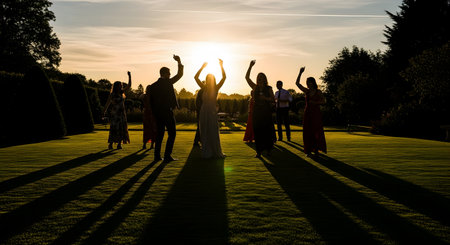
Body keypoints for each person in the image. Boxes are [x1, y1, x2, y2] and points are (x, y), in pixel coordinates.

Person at [149, 55, 184, 162]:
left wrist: (154, 113)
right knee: (172, 133)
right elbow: (180, 74)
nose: (170, 75)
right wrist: (179, 61)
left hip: (157, 113)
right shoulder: (168, 82)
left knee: (160, 134)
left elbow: (151, 102)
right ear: (164, 74)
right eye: (169, 73)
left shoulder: (153, 86)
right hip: (167, 112)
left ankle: (157, 156)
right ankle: (167, 155)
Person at [194, 59, 226, 158]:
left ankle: (215, 151)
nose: (209, 80)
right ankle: (206, 151)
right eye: (208, 78)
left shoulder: (216, 88)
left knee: (213, 130)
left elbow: (224, 77)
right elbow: (195, 77)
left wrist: (221, 66)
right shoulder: (203, 88)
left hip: (212, 111)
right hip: (204, 111)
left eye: (210, 78)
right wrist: (202, 68)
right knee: (204, 130)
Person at [245, 60, 276, 158]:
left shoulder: (269, 88)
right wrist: (250, 67)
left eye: (262, 77)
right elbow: (247, 78)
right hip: (257, 112)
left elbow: (273, 100)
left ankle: (269, 150)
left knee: (267, 131)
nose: (260, 79)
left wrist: (266, 98)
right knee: (258, 131)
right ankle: (258, 152)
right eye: (258, 77)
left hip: (266, 112)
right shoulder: (255, 87)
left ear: (265, 79)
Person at [295, 66, 327, 157]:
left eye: (310, 82)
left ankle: (316, 150)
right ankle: (308, 150)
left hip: (316, 114)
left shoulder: (318, 92)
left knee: (316, 131)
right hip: (307, 113)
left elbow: (324, 101)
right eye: (307, 83)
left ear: (313, 83)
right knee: (307, 132)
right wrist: (300, 73)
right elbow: (297, 83)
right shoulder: (307, 91)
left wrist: (315, 102)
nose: (309, 84)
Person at [102, 71, 132, 149]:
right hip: (115, 114)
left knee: (121, 128)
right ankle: (111, 144)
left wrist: (129, 76)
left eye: (121, 85)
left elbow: (129, 86)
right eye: (119, 85)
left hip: (122, 114)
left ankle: (119, 144)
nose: (121, 86)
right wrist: (104, 112)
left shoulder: (121, 92)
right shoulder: (112, 95)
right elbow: (107, 104)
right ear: (116, 86)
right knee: (114, 128)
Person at [140, 85, 156, 149]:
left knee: (148, 130)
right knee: (152, 129)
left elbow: (140, 97)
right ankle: (150, 145)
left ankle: (145, 144)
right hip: (151, 114)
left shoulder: (145, 96)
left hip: (148, 114)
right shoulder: (152, 97)